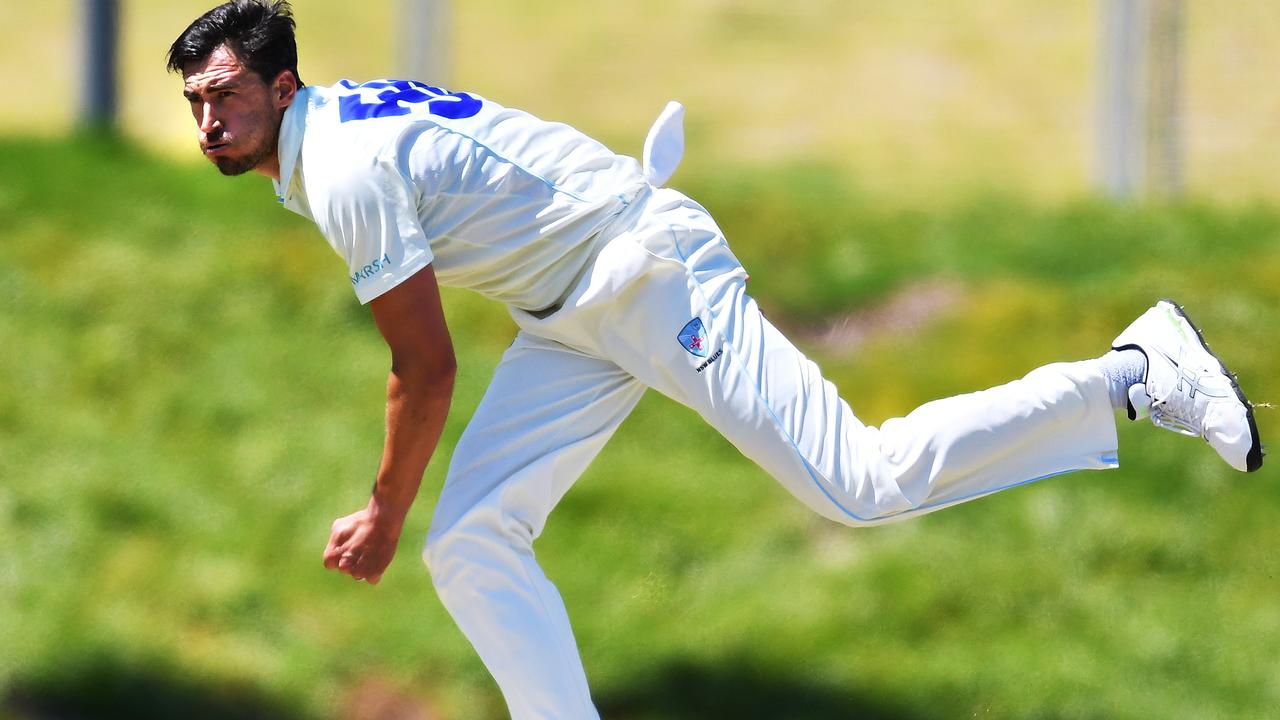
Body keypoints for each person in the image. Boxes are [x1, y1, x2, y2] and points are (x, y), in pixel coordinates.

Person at [168, 2, 1262, 717]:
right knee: (473, 546)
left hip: (645, 271)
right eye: (193, 105)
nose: (207, 121)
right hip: (569, 309)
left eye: (222, 95)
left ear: (282, 84)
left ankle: (1131, 369)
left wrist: (382, 513)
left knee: (860, 484)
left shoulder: (343, 168)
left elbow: (426, 368)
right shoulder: (334, 132)